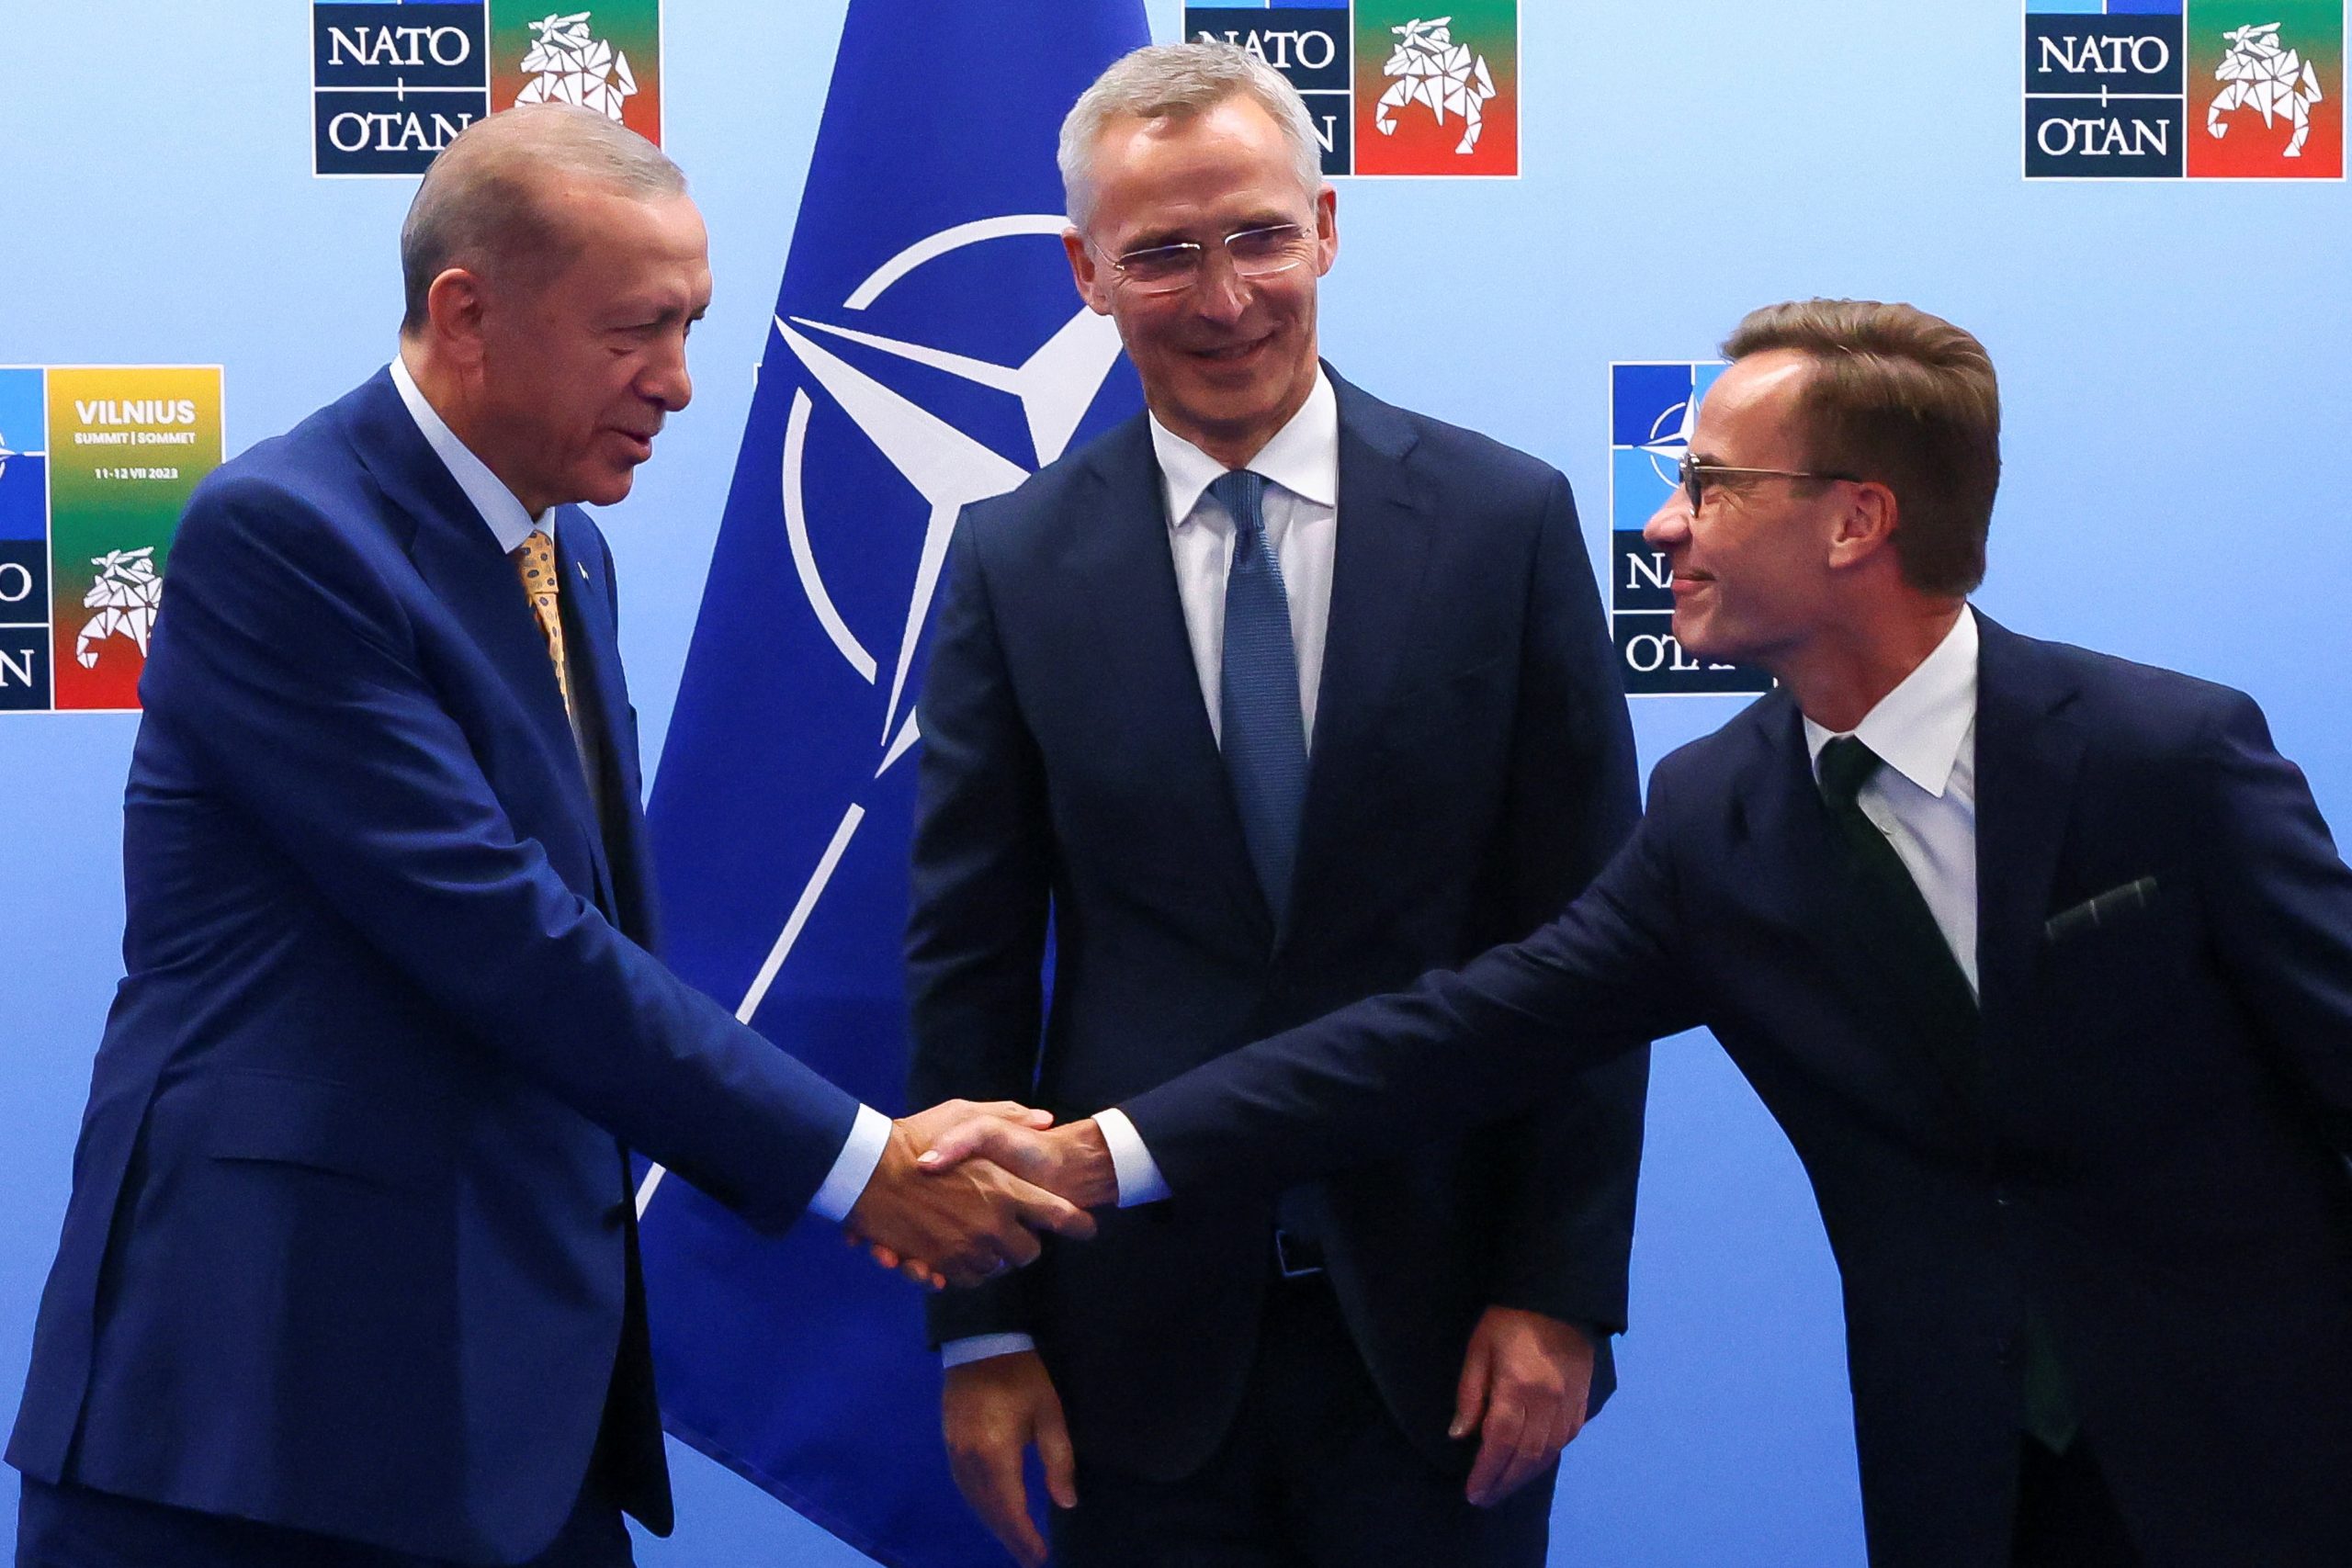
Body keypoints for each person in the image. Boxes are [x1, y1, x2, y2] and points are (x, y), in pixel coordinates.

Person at [927, 299, 2352, 1567]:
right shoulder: (1717, 821)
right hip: (1966, 1474)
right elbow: (1449, 1036)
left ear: (1856, 522)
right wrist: (1098, 1156)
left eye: (1712, 486)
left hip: (2281, 1449)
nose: (1663, 525)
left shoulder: (2166, 758)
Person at [6, 105, 1086, 1568]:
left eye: (693, 324)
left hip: (509, 1408)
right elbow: (506, 934)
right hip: (262, 1415)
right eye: (640, 330)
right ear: (468, 313)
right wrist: (858, 1162)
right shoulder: (288, 536)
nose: (684, 385)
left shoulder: (562, 546)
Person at [901, 41, 1647, 1568]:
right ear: (1085, 274)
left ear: (1327, 224)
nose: (1226, 297)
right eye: (1162, 254)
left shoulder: (1506, 523)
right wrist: (981, 1334)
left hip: (1450, 1336)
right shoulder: (1011, 561)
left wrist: (1561, 1289)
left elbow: (1595, 948)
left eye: (1256, 235)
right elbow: (967, 966)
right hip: (1130, 1343)